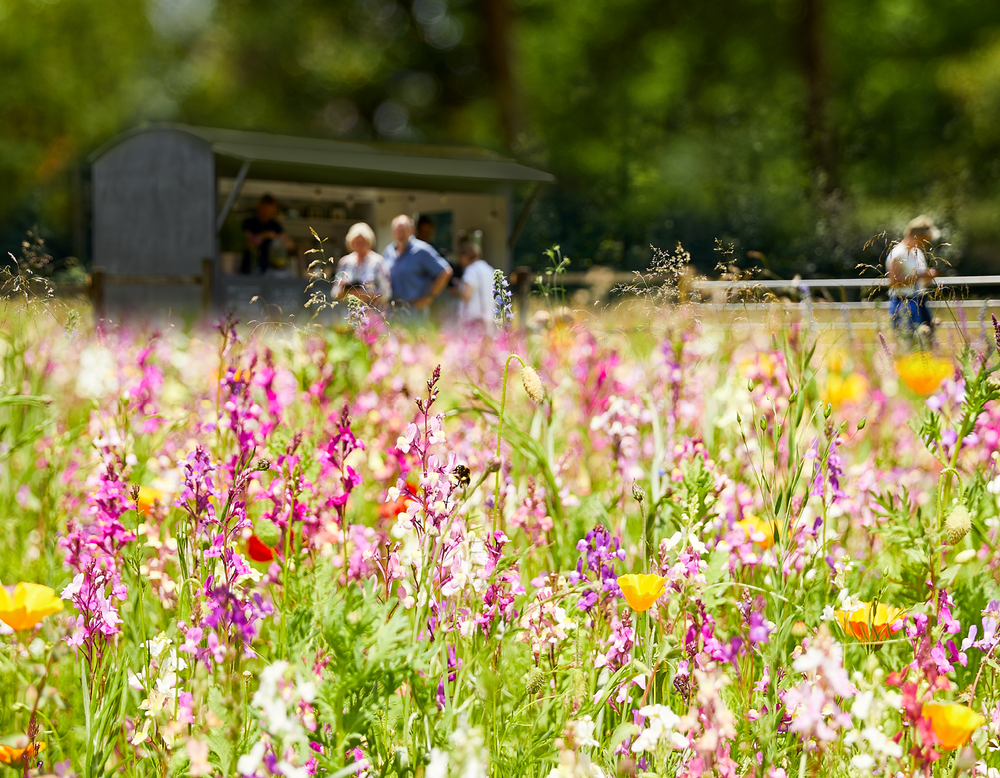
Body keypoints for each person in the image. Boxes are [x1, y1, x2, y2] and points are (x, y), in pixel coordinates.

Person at [383, 215, 452, 314]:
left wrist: (429, 297)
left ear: (411, 230)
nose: (399, 234)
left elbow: (446, 271)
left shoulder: (422, 250)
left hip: (415, 310)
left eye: (403, 230)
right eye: (397, 231)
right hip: (393, 310)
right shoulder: (389, 251)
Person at [887, 215, 940, 333]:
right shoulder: (897, 253)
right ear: (914, 235)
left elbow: (921, 281)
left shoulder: (918, 253)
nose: (925, 243)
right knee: (908, 342)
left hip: (920, 301)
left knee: (927, 340)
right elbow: (894, 282)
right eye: (924, 239)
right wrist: (921, 276)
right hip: (903, 303)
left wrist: (928, 277)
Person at [331, 222, 392, 307]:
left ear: (368, 242)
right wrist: (344, 289)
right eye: (355, 242)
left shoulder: (377, 261)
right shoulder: (345, 262)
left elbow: (387, 292)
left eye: (362, 242)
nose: (358, 245)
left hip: (372, 311)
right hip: (349, 311)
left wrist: (365, 294)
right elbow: (334, 292)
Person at [242, 195, 293, 275]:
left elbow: (290, 245)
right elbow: (245, 244)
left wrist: (282, 240)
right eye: (265, 210)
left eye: (270, 211)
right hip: (250, 267)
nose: (267, 213)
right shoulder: (248, 223)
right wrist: (264, 235)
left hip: (270, 270)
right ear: (259, 207)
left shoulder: (275, 225)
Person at [450, 240, 495, 330]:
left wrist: (455, 290)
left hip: (472, 319)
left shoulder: (470, 270)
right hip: (488, 317)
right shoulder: (489, 269)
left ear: (465, 256)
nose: (460, 261)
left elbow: (467, 295)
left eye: (460, 257)